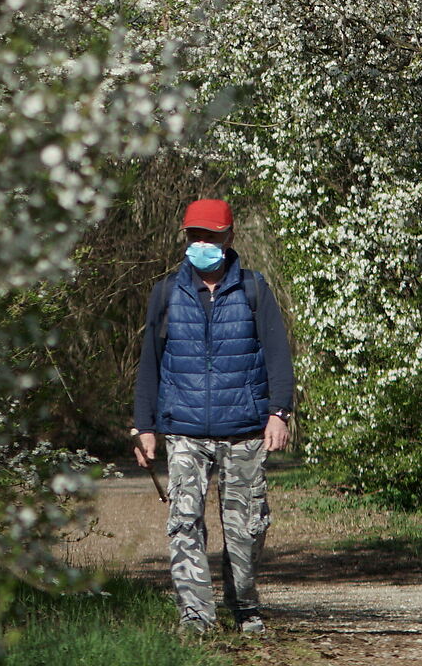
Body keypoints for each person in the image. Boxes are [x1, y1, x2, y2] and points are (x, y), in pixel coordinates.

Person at [131, 197, 295, 637]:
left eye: (210, 235)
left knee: (246, 528)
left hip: (244, 430)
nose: (201, 242)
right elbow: (150, 362)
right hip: (182, 430)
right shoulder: (166, 292)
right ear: (185, 237)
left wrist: (279, 413)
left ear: (230, 237)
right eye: (194, 235)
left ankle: (244, 606)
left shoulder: (255, 290)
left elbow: (279, 356)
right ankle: (196, 617)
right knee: (184, 522)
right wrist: (143, 426)